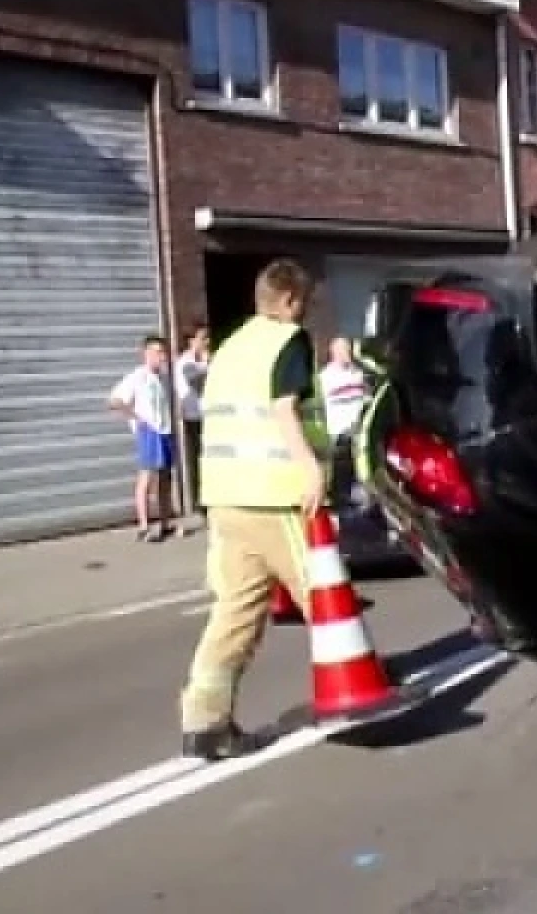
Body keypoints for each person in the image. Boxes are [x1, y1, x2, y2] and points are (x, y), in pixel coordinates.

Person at [179, 259, 328, 761]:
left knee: (235, 612)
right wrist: (311, 469)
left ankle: (205, 721)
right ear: (289, 300)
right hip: (273, 491)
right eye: (303, 304)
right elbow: (284, 409)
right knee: (324, 592)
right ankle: (352, 680)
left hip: (223, 497)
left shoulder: (230, 349)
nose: (305, 313)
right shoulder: (285, 341)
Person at [109, 335, 177, 541]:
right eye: (157, 352)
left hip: (165, 431)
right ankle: (144, 526)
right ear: (145, 354)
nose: (161, 357)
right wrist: (136, 418)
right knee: (146, 478)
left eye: (163, 352)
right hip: (149, 432)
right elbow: (114, 400)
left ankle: (165, 524)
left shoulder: (163, 377)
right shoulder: (138, 376)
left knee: (165, 478)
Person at [174, 324, 211, 517]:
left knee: (209, 459)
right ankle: (200, 502)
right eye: (202, 338)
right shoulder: (184, 363)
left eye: (207, 338)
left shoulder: (203, 362)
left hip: (207, 416)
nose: (206, 342)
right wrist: (207, 363)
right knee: (197, 459)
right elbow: (199, 383)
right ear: (191, 341)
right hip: (193, 419)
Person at [320, 336, 368, 443]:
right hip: (341, 433)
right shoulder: (325, 377)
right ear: (334, 352)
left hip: (360, 431)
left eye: (348, 349)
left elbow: (366, 396)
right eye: (344, 349)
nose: (347, 352)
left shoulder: (359, 373)